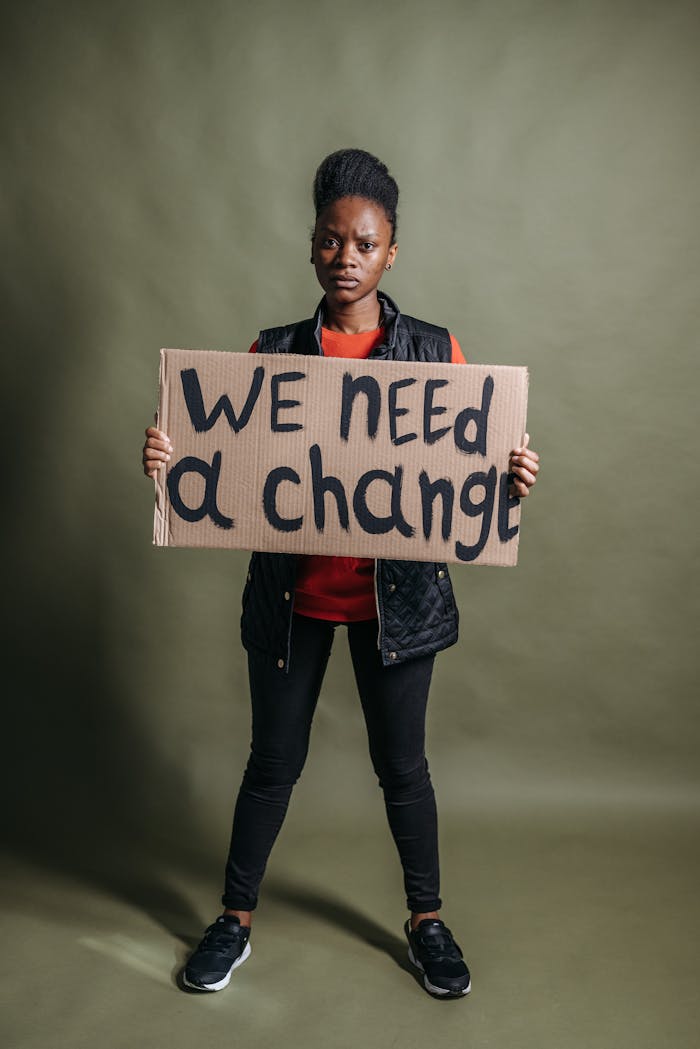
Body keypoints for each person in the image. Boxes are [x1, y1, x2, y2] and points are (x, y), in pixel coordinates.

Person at [142, 149, 540, 999]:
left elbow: (467, 469)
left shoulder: (435, 355)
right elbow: (223, 460)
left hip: (396, 606)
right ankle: (234, 918)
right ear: (312, 246)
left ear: (391, 251)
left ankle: (427, 920)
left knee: (404, 768)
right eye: (331, 240)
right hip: (293, 603)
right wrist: (172, 462)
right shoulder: (273, 354)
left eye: (364, 242)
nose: (346, 255)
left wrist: (510, 476)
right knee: (270, 763)